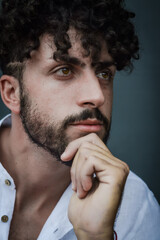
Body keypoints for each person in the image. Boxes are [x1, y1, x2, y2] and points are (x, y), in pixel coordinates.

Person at [0, 0, 159, 239]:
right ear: (13, 93)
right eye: (64, 70)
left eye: (104, 74)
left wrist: (96, 236)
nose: (97, 96)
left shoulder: (134, 207)